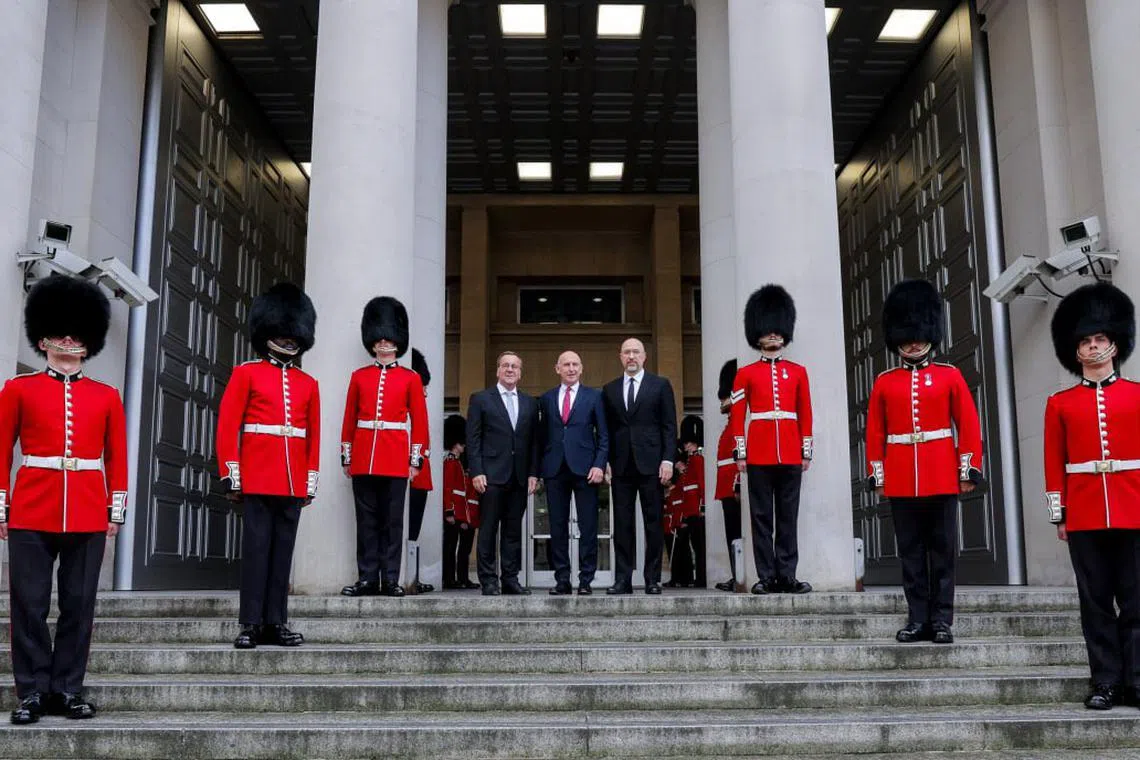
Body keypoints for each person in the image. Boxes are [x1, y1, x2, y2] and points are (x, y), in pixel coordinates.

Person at [1, 275, 125, 724]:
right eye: (61, 329)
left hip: (89, 511)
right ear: (44, 335)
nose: (69, 338)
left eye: (77, 331)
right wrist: (2, 507)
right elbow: (1, 451)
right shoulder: (19, 389)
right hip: (32, 509)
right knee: (29, 605)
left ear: (88, 339)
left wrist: (116, 509)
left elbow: (117, 458)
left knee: (79, 604)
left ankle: (68, 689)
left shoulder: (106, 396)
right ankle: (33, 691)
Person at [866, 279, 983, 645]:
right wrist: (879, 476)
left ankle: (942, 620)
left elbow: (968, 424)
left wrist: (967, 469)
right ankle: (917, 618)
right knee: (912, 554)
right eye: (906, 336)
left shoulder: (949, 376)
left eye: (918, 335)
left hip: (942, 475)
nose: (913, 342)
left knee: (942, 552)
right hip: (901, 478)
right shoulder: (885, 382)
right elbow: (875, 434)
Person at [1044, 282, 1140, 710]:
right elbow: (1053, 461)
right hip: (1083, 513)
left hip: (1134, 507)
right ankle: (1105, 682)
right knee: (1095, 604)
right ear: (1075, 351)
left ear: (1115, 344)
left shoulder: (1137, 395)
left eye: (1100, 338)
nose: (1094, 346)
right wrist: (1058, 513)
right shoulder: (1059, 404)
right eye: (1085, 341)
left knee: (1136, 602)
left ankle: (1136, 681)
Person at [218, 282, 319, 650]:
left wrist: (309, 480)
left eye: (294, 334)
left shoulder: (308, 383)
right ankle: (250, 623)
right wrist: (232, 473)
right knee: (257, 551)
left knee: (282, 554)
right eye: (283, 333)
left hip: (292, 479)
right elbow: (229, 425)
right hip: (258, 474)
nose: (289, 340)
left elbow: (312, 435)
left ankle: (277, 621)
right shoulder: (247, 373)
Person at [340, 296, 429, 598]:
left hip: (394, 457)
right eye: (378, 338)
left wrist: (415, 459)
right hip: (364, 456)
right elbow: (349, 419)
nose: (383, 342)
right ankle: (367, 577)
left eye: (389, 337)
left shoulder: (410, 379)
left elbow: (420, 422)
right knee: (366, 521)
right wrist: (347, 456)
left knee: (392, 521)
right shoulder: (359, 377)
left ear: (398, 341)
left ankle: (391, 578)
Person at [731, 284, 814, 595]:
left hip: (791, 451)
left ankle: (787, 575)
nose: (774, 336)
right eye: (768, 331)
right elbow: (738, 416)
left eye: (778, 330)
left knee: (788, 518)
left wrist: (806, 451)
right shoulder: (745, 374)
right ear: (759, 334)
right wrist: (741, 453)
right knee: (762, 518)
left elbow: (806, 413)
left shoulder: (798, 372)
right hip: (759, 453)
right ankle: (766, 575)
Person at [601, 338, 676, 595]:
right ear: (620, 357)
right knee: (622, 525)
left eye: (636, 352)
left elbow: (669, 426)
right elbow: (606, 431)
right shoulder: (609, 389)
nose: (631, 356)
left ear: (644, 356)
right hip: (621, 466)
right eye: (626, 352)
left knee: (653, 522)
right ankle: (623, 579)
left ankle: (652, 578)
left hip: (651, 465)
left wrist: (668, 460)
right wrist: (606, 461)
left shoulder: (660, 385)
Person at [466, 351, 539, 596]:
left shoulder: (530, 403)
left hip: (519, 477)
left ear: (520, 372)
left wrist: (533, 473)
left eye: (515, 366)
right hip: (491, 476)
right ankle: (488, 580)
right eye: (505, 366)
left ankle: (510, 579)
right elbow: (473, 440)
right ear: (497, 370)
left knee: (512, 531)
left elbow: (533, 443)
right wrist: (476, 470)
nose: (510, 370)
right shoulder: (481, 399)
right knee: (488, 530)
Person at [538, 351, 610, 595]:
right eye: (566, 364)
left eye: (575, 364)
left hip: (586, 469)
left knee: (588, 527)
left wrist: (599, 464)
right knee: (557, 528)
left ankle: (586, 580)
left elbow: (603, 435)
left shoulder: (594, 396)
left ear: (581, 368)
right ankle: (562, 580)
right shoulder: (546, 398)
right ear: (557, 368)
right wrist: (538, 470)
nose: (570, 368)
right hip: (555, 469)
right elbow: (541, 437)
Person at [406, 348, 434, 593]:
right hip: (409, 475)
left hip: (420, 475)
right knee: (407, 530)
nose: (424, 390)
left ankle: (412, 577)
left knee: (413, 531)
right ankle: (406, 577)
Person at [714, 360, 742, 591]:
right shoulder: (731, 423)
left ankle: (741, 575)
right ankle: (737, 574)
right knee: (732, 535)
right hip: (726, 487)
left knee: (739, 534)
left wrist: (739, 483)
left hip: (735, 486)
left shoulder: (741, 422)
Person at [441, 414, 478, 590]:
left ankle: (461, 578)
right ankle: (449, 578)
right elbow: (448, 489)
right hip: (454, 513)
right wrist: (449, 512)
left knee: (462, 548)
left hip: (461, 513)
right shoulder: (450, 462)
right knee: (450, 548)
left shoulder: (457, 463)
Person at [680, 415, 707, 588]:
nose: (685, 446)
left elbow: (702, 485)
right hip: (690, 510)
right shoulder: (691, 460)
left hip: (696, 509)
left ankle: (702, 577)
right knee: (695, 546)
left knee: (700, 546)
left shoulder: (697, 459)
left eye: (688, 442)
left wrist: (702, 506)